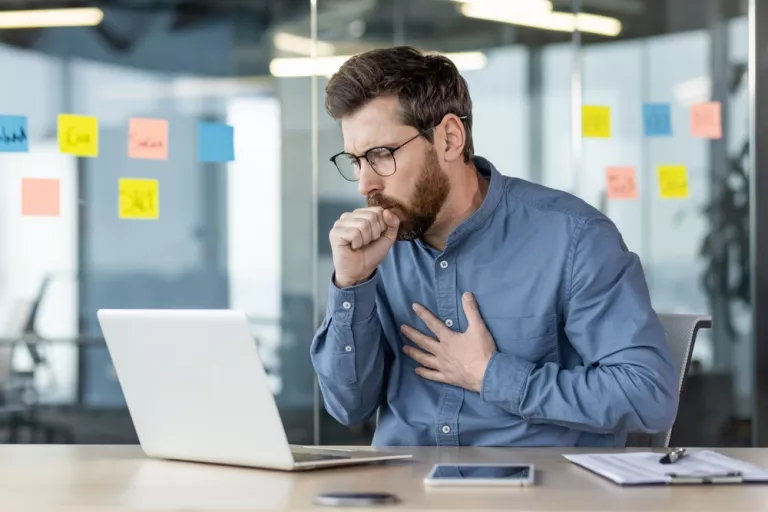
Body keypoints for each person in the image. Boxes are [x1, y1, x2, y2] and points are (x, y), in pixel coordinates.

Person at [309, 46, 678, 447]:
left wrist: (490, 375)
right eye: (355, 161)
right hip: (403, 482)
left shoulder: (572, 238)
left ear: (450, 138)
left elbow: (649, 396)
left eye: (381, 155)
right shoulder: (378, 249)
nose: (366, 184)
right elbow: (348, 407)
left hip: (532, 482)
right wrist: (352, 284)